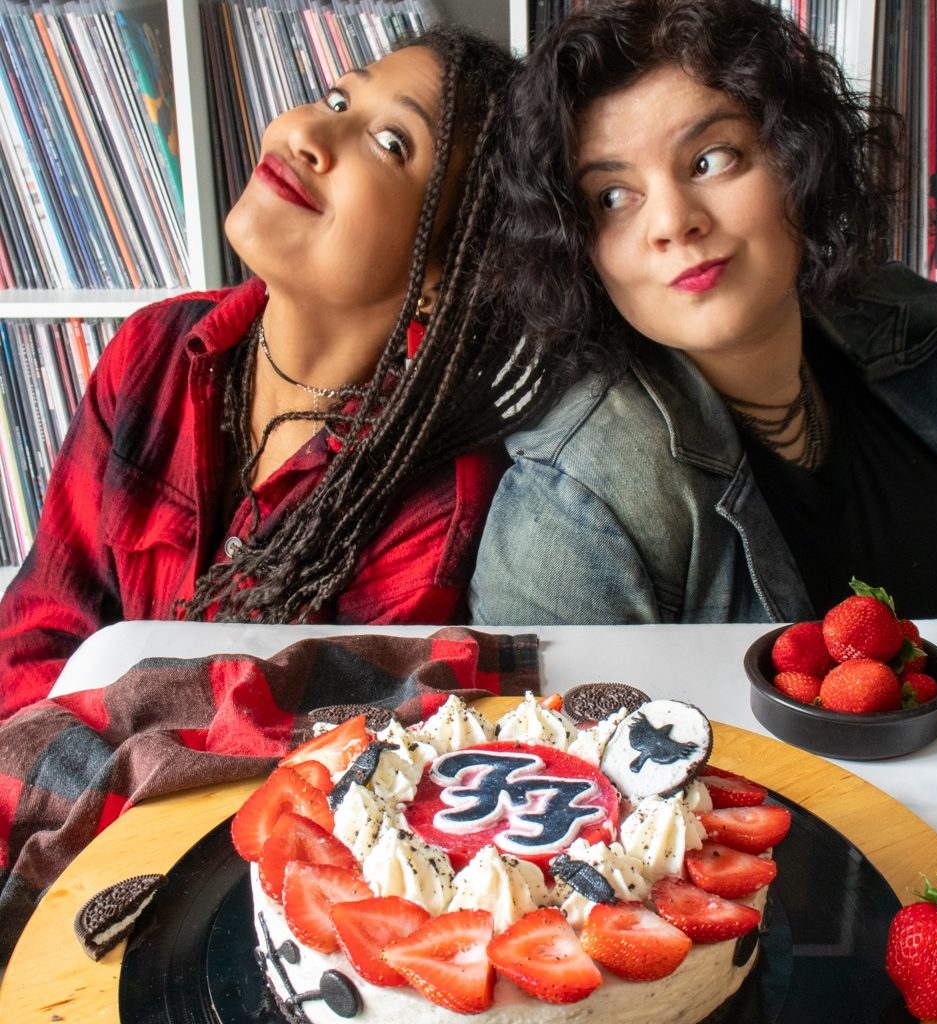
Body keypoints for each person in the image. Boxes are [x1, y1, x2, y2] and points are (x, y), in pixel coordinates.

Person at [0, 25, 554, 721]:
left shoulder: (433, 501)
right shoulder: (153, 351)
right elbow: (36, 632)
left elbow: (296, 754)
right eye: (336, 98)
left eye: (392, 145)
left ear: (448, 276)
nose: (309, 134)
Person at [470, 0, 937, 625]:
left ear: (795, 159)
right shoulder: (576, 501)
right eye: (613, 198)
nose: (674, 222)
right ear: (575, 248)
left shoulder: (912, 316)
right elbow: (538, 722)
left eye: (710, 159)